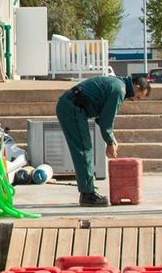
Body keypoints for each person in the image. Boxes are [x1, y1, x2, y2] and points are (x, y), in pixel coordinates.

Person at [55, 72, 150, 207]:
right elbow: (106, 121)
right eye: (138, 97)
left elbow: (102, 117)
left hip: (71, 105)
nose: (135, 100)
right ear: (136, 86)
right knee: (83, 149)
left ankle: (87, 191)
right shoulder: (119, 90)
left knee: (84, 148)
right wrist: (110, 142)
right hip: (72, 108)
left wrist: (110, 139)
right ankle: (88, 194)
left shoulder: (118, 84)